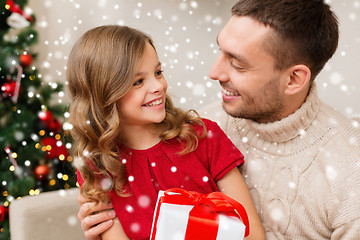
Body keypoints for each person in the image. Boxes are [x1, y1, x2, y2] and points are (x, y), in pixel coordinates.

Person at [77, 0, 360, 239]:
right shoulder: (208, 120)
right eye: (220, 50)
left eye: (237, 64)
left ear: (294, 78)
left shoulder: (349, 176)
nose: (214, 72)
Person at [67, 25, 265, 240]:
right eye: (138, 81)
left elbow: (252, 233)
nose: (158, 86)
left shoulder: (202, 136)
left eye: (158, 72)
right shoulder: (98, 166)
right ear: (104, 95)